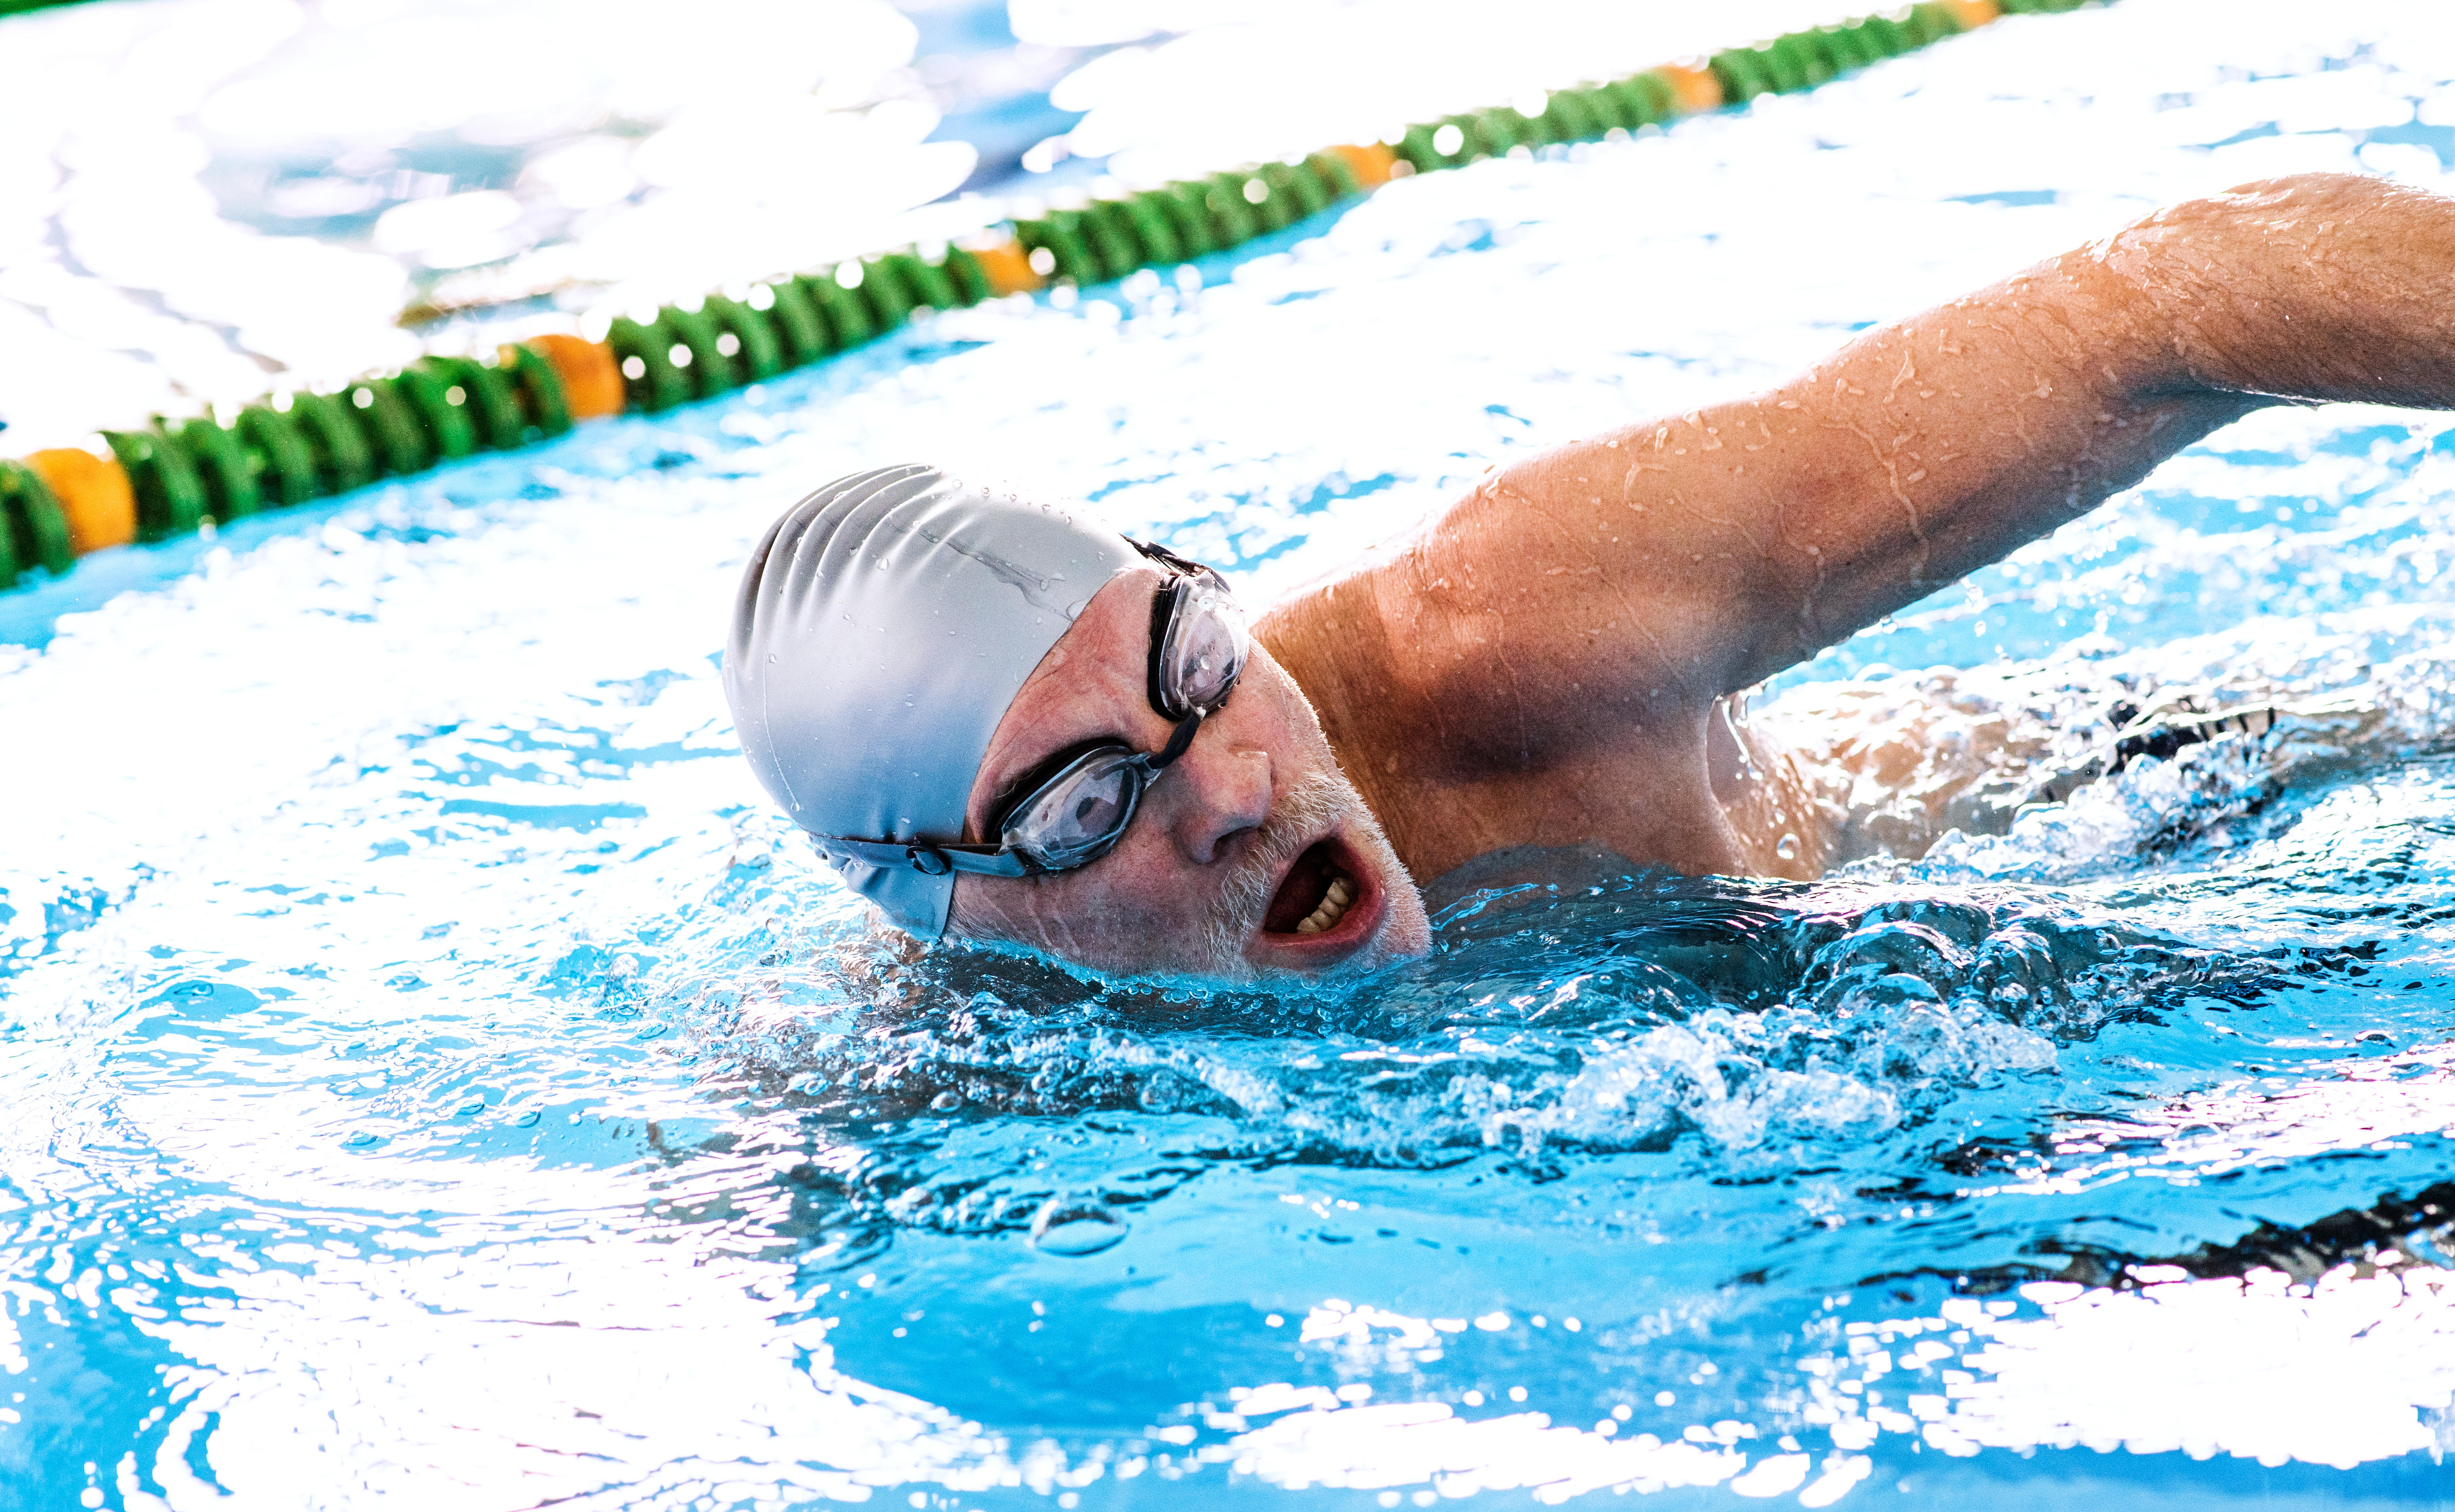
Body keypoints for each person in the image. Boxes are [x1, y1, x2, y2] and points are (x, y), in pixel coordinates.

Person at [724, 171, 2454, 981]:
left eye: (1194, 658)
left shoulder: (1521, 628)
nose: (1239, 787)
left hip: (2014, 821)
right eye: (1085, 804)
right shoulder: (951, 1065)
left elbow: (2165, 303)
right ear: (946, 898)